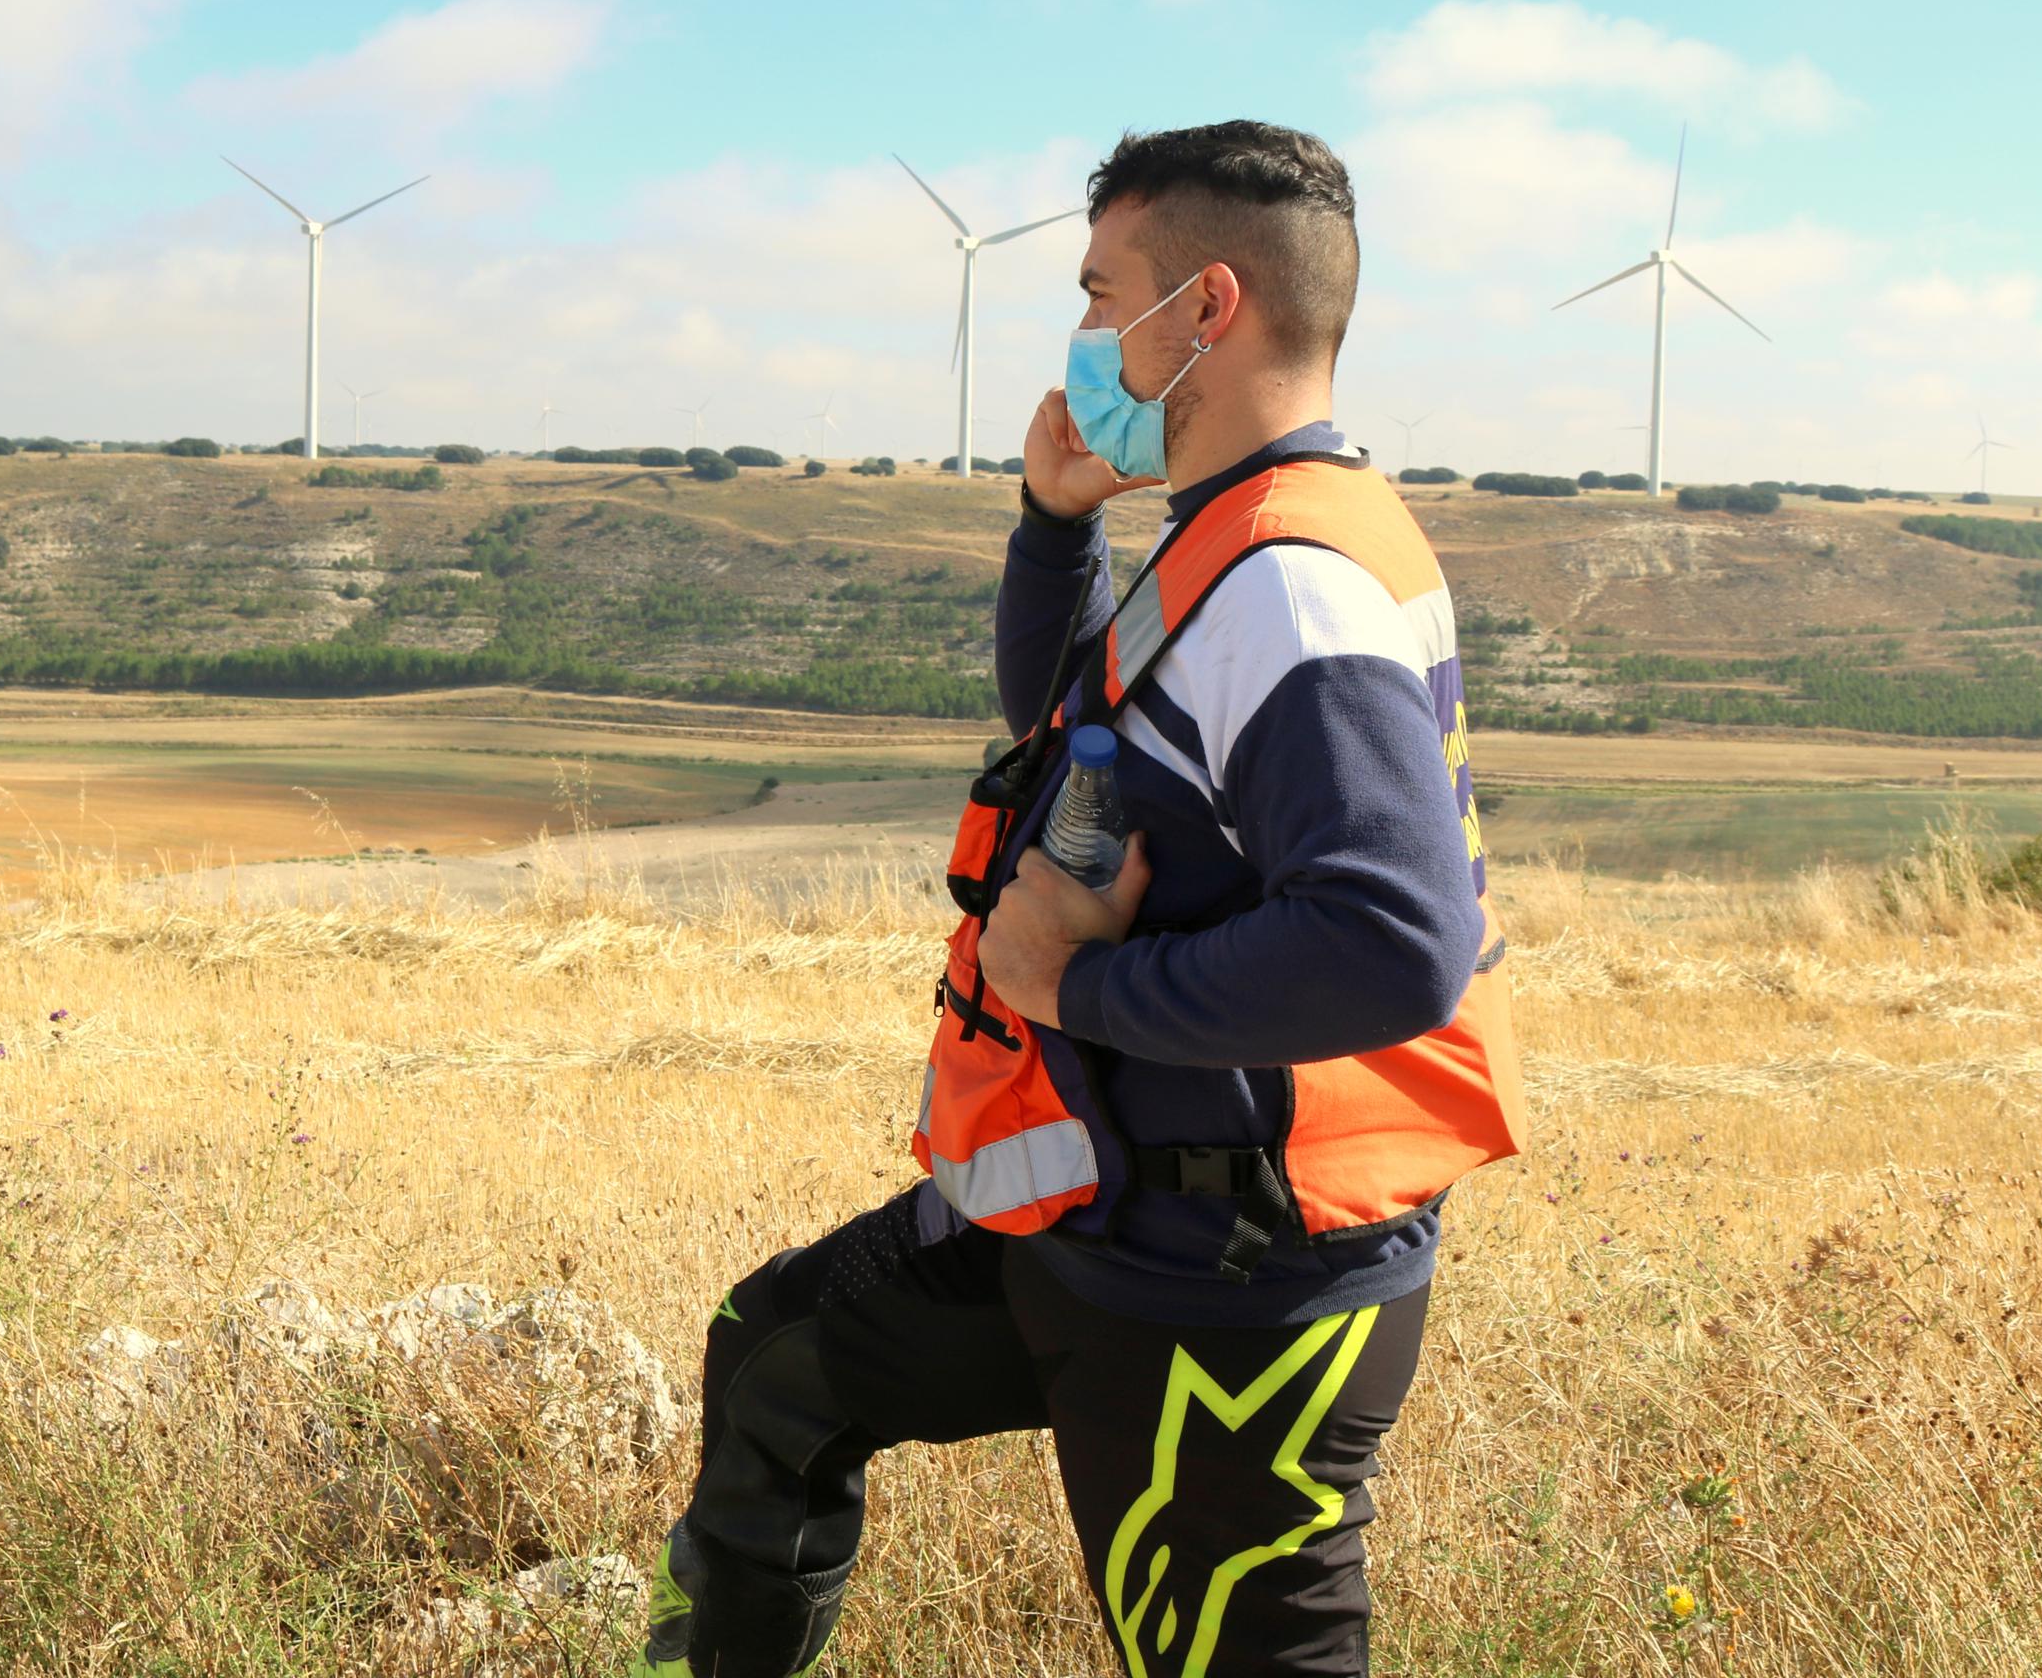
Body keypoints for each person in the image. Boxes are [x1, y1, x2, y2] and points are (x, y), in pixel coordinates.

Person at [633, 121, 1522, 1678]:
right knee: (778, 1360)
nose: (1086, 333)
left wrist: (1079, 992)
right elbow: (1084, 735)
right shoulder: (1241, 533)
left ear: (1208, 310)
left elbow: (1398, 941)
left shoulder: (1297, 582)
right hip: (1104, 1213)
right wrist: (1058, 526)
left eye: (1105, 290)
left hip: (1230, 1287)